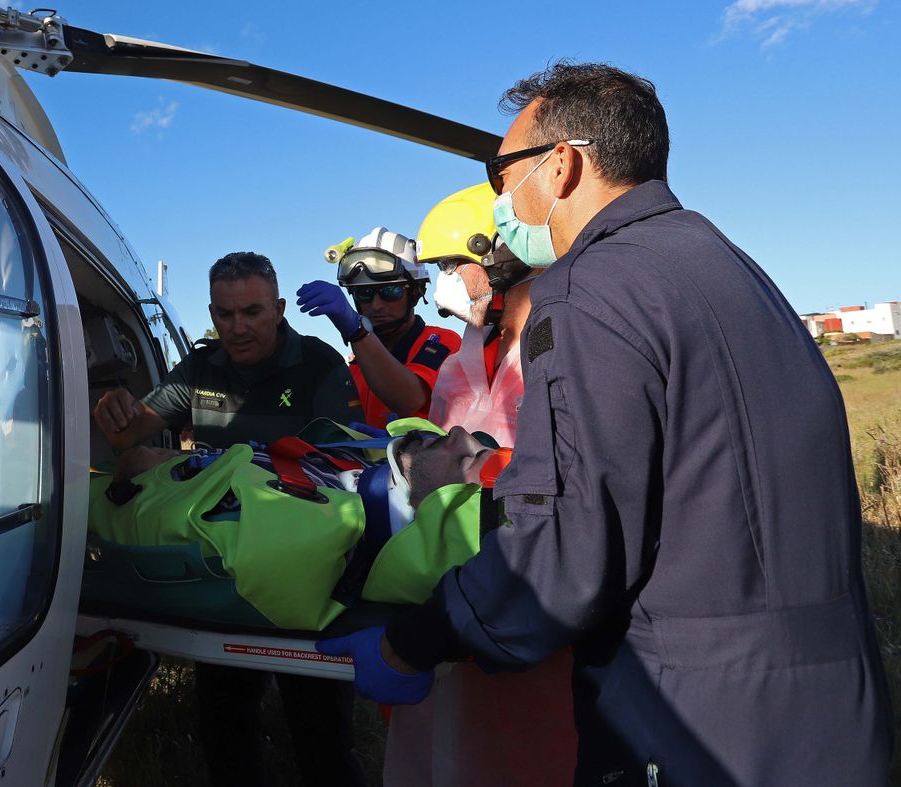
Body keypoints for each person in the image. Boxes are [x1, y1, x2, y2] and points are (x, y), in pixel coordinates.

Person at [322, 62, 893, 784]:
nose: (501, 204)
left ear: (559, 164)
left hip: (697, 721)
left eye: (504, 178)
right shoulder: (727, 263)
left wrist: (417, 637)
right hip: (827, 712)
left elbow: (562, 548)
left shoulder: (590, 286)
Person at [92, 251, 367, 787]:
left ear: (280, 308)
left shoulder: (319, 364)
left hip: (301, 568)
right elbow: (132, 433)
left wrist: (201, 464)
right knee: (224, 722)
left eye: (252, 312)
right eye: (224, 314)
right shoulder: (201, 367)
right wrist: (115, 412)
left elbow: (338, 467)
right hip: (220, 573)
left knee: (321, 733)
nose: (237, 328)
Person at [374, 184, 577, 786]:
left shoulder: (559, 344)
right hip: (451, 585)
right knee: (445, 748)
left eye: (446, 266)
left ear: (496, 258)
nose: (440, 283)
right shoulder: (464, 356)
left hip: (529, 587)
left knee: (532, 752)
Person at [296, 228, 460, 430]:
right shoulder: (357, 365)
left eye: (390, 291)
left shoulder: (443, 341)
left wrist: (357, 332)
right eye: (364, 293)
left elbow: (411, 400)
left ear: (417, 292)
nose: (376, 305)